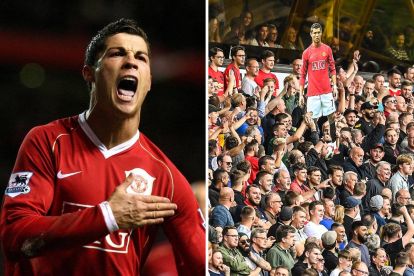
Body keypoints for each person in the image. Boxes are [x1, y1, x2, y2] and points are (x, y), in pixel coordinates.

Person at [0, 19, 205, 275]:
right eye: (117, 53)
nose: (131, 61)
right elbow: (15, 236)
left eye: (141, 57)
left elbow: (202, 267)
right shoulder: (47, 141)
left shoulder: (166, 178)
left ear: (149, 80)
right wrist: (108, 216)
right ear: (89, 72)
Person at [299, 23, 337, 122]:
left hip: (327, 90)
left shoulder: (327, 49)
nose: (316, 35)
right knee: (312, 120)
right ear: (311, 34)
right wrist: (300, 94)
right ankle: (313, 137)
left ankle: (334, 138)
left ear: (321, 34)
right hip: (312, 92)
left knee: (332, 118)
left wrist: (335, 86)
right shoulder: (306, 53)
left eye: (318, 32)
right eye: (314, 33)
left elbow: (333, 69)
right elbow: (302, 75)